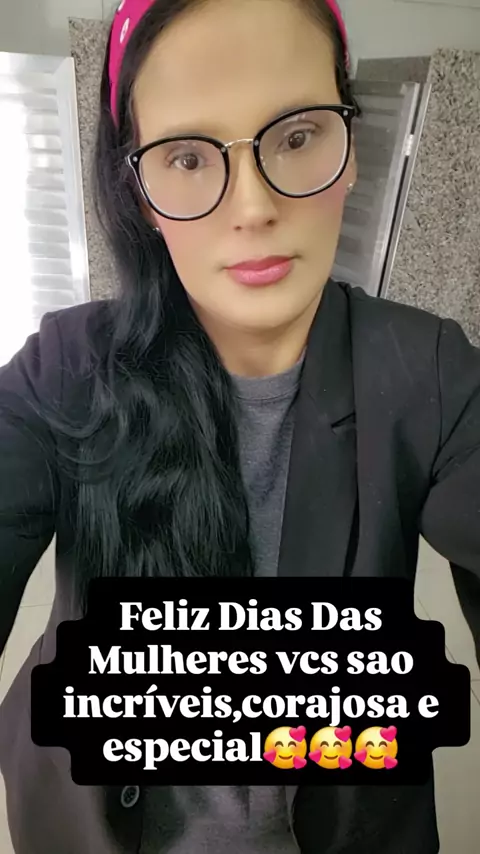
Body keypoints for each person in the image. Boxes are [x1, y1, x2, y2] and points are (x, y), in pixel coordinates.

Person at [0, 0, 479, 851]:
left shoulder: (429, 371)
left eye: (296, 136)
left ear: (349, 149)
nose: (253, 206)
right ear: (140, 193)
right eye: (188, 157)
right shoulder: (65, 369)